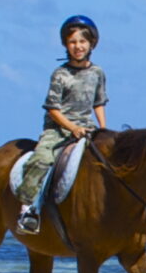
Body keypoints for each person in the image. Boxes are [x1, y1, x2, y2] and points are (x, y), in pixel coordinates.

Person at [19, 15, 107, 236]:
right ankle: (28, 208)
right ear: (66, 45)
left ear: (91, 44)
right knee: (41, 160)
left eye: (82, 42)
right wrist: (71, 128)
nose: (78, 46)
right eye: (72, 42)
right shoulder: (60, 74)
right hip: (58, 129)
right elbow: (52, 108)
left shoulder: (97, 73)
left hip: (87, 128)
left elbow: (98, 103)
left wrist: (103, 129)